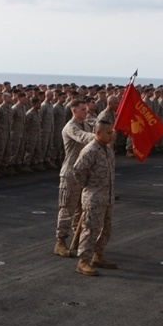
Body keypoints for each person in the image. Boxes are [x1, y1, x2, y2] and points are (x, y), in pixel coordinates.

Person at [72, 121, 117, 276]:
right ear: (98, 133)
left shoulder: (108, 150)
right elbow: (78, 170)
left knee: (106, 228)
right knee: (90, 229)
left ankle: (98, 255)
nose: (112, 135)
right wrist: (87, 186)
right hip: (94, 197)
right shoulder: (90, 150)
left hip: (107, 196)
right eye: (109, 133)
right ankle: (83, 261)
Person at [53, 99, 93, 257]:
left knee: (81, 210)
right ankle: (60, 242)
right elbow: (83, 138)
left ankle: (78, 240)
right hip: (70, 173)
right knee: (67, 209)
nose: (86, 112)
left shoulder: (87, 125)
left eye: (86, 109)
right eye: (83, 109)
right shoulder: (71, 127)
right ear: (74, 110)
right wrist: (99, 136)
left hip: (83, 173)